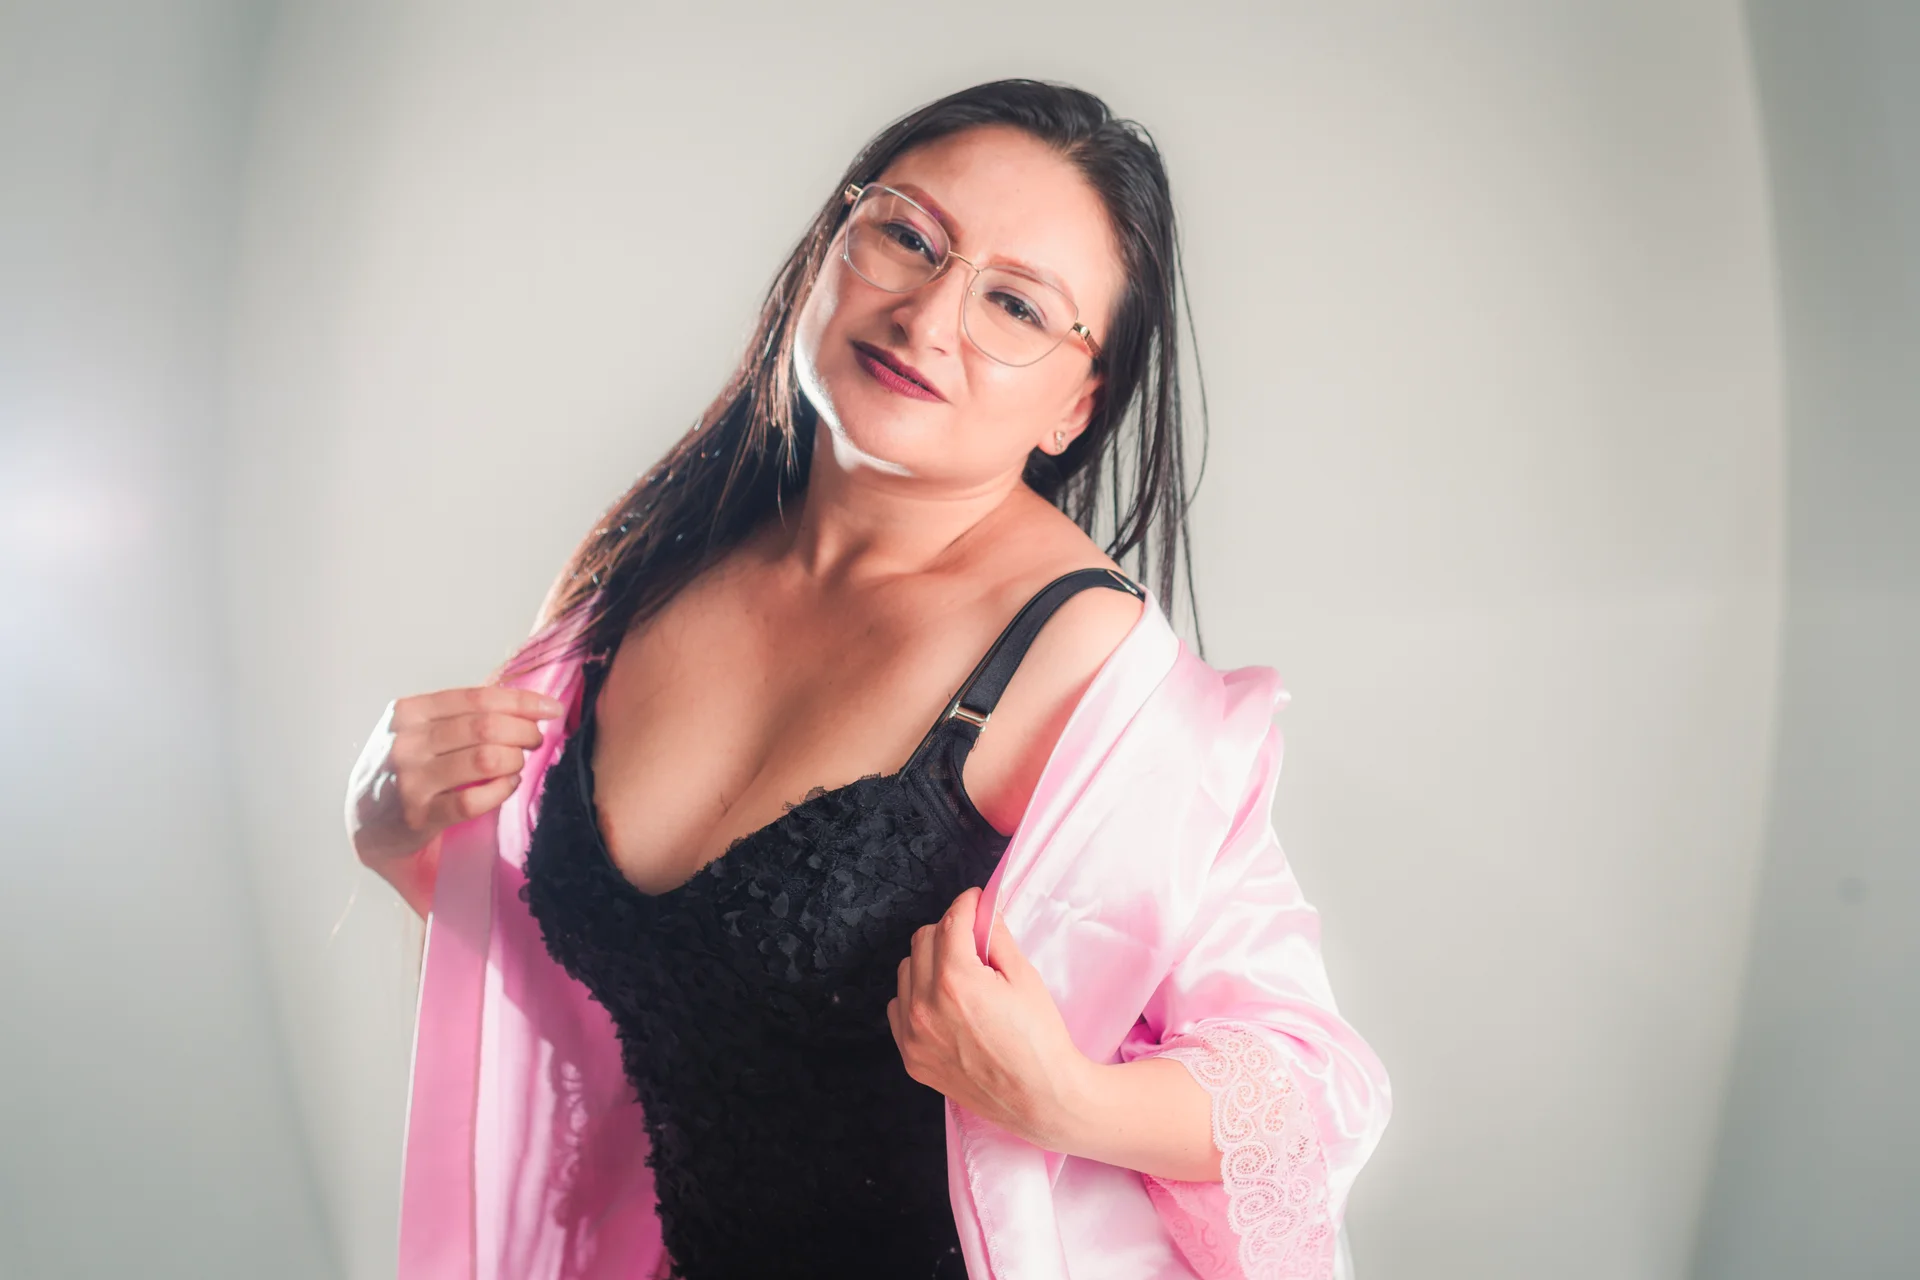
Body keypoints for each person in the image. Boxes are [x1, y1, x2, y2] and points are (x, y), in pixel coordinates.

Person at [346, 78, 1391, 1280]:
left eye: (1014, 304)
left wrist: (1067, 1098)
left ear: (1077, 403)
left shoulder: (1092, 673)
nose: (929, 316)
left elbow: (1316, 1091)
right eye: (909, 237)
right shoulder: (646, 577)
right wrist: (394, 838)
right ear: (829, 245)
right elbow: (620, 1003)